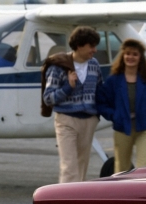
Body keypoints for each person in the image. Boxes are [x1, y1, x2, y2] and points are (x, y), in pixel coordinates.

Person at [42, 26, 103, 183]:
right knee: (69, 167)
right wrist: (68, 87)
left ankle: (78, 202)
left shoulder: (94, 65)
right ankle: (65, 203)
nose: (95, 50)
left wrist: (100, 114)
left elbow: (101, 92)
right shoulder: (58, 66)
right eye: (91, 46)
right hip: (66, 121)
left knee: (82, 167)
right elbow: (48, 98)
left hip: (89, 121)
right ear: (80, 45)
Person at [97, 38, 146, 173]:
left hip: (145, 127)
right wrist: (114, 116)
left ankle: (143, 193)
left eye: (135, 54)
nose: (130, 57)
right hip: (122, 127)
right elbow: (101, 102)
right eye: (127, 53)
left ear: (140, 58)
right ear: (123, 56)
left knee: (145, 167)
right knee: (121, 168)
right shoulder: (113, 80)